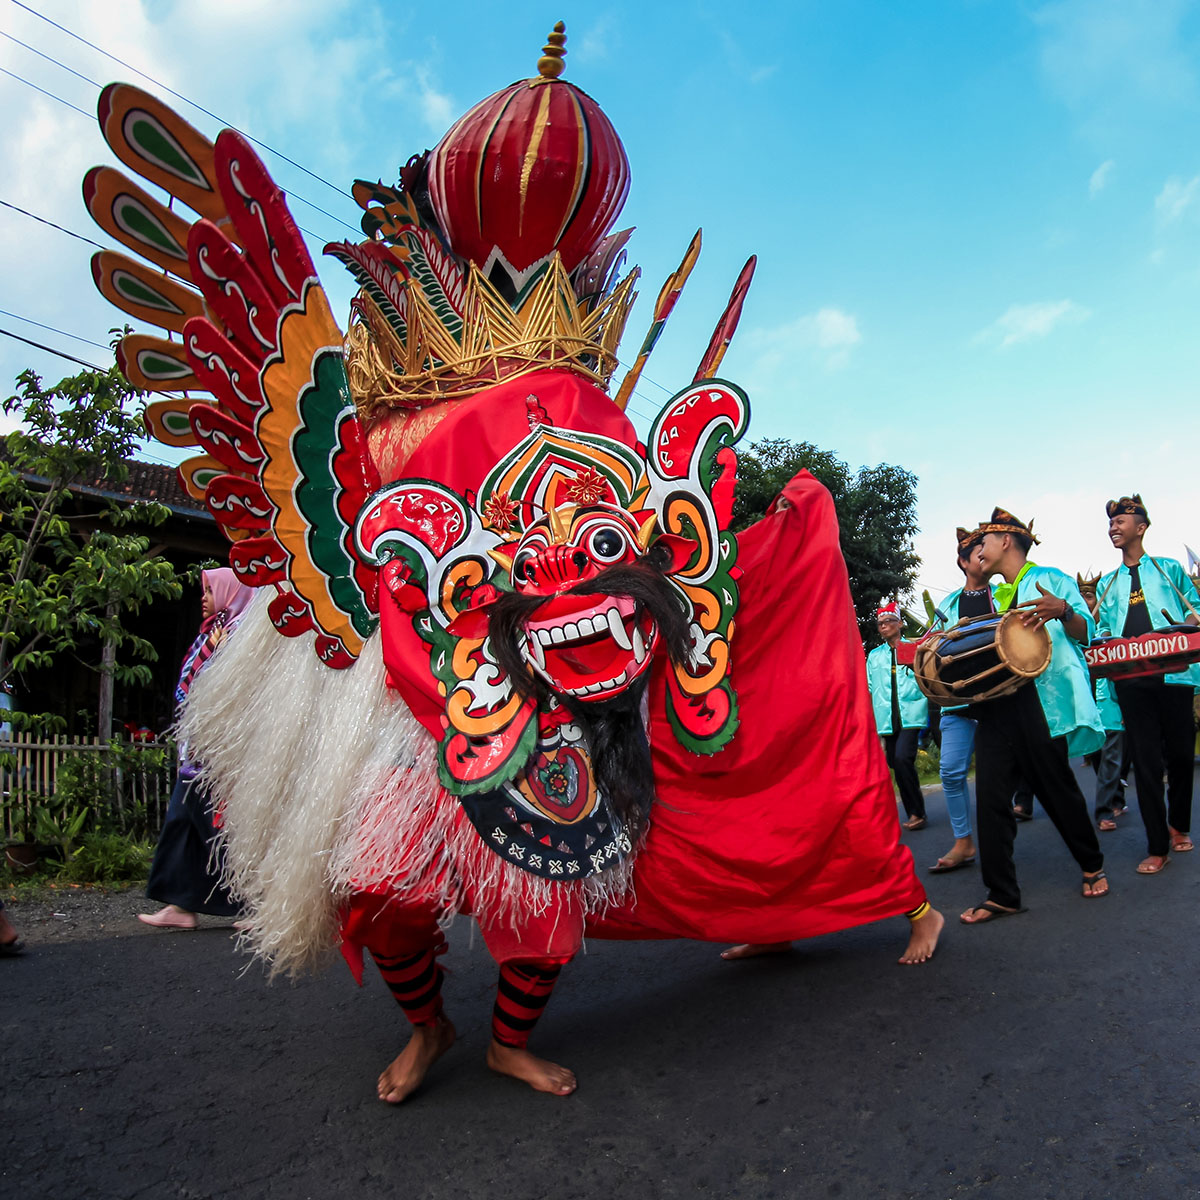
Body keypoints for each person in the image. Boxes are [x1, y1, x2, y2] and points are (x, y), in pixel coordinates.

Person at [959, 508, 1107, 924]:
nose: (978, 549)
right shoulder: (990, 592)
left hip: (1040, 703)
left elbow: (1086, 633)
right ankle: (1002, 893)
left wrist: (1063, 609)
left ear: (1006, 540)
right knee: (989, 798)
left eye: (983, 541)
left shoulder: (1054, 579)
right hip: (995, 704)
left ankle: (1092, 864)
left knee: (1057, 789)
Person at [137, 569, 254, 931]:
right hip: (197, 743)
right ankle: (180, 903)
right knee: (183, 821)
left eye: (209, 590)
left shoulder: (241, 636)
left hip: (221, 745)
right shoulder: (213, 632)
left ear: (229, 592)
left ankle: (260, 904)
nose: (203, 597)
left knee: (217, 824)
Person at [1095, 495, 1200, 874]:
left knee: (1180, 756)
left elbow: (1196, 609)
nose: (1113, 527)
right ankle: (1158, 846)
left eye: (1120, 521)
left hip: (1174, 675)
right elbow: (1102, 629)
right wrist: (1104, 641)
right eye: (1110, 523)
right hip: (1131, 680)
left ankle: (1179, 826)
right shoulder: (1108, 584)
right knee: (1146, 763)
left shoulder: (1169, 569)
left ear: (1141, 527)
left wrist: (1187, 628)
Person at [927, 528, 990, 872]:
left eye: (987, 548)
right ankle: (963, 842)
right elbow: (930, 647)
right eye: (977, 551)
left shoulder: (1005, 593)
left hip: (1001, 698)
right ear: (963, 561)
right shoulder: (948, 604)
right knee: (951, 772)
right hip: (958, 702)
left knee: (1031, 771)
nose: (985, 554)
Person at [866, 602, 929, 830]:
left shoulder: (914, 648)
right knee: (895, 762)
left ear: (899, 624)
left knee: (903, 758)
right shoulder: (874, 656)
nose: (883, 627)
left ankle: (917, 812)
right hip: (887, 718)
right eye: (880, 624)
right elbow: (870, 686)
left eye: (888, 622)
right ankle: (914, 809)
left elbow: (925, 678)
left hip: (911, 713)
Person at [1077, 573, 1127, 832]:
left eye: (1089, 595)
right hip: (1087, 699)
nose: (1086, 601)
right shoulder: (1076, 628)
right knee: (1098, 755)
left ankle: (1104, 810)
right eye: (1081, 595)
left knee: (1111, 756)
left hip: (1111, 698)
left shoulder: (1109, 627)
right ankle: (1117, 797)